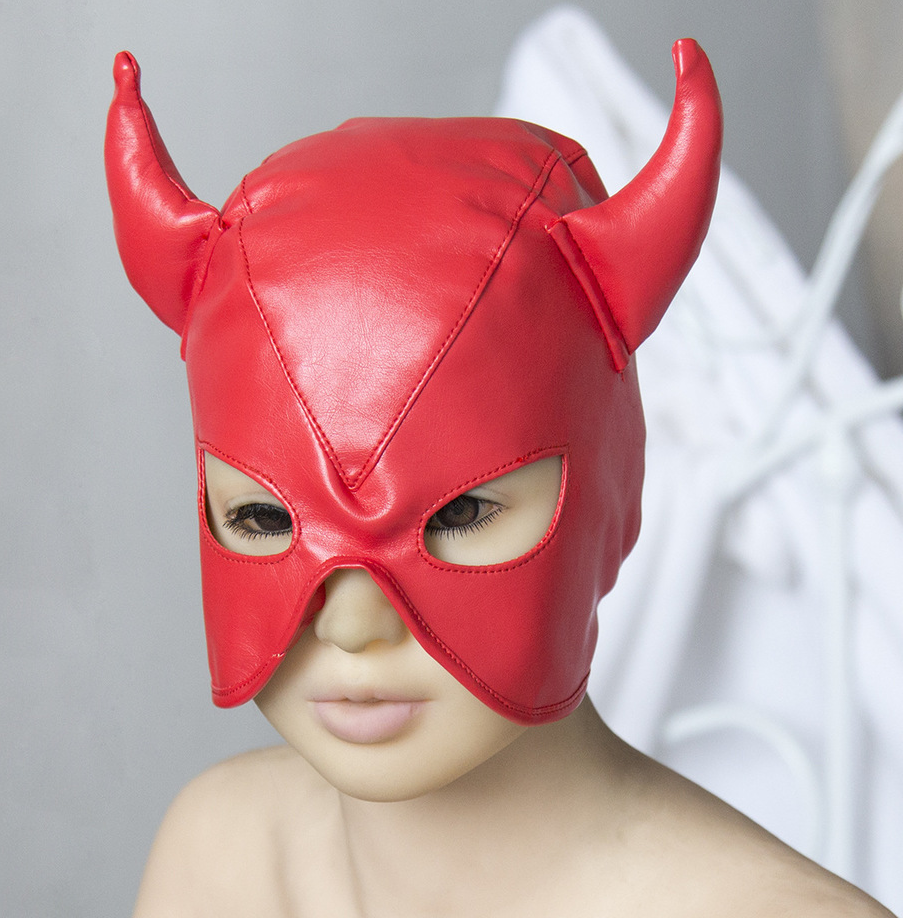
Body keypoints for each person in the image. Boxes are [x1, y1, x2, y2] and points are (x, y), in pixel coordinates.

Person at [105, 45, 895, 918]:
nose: (354, 625)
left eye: (463, 511)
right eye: (263, 517)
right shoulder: (219, 860)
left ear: (614, 495)